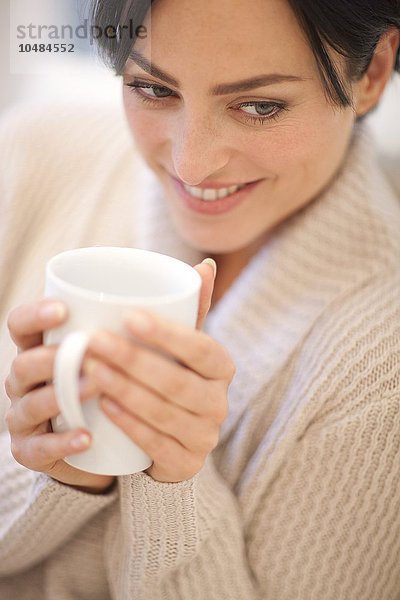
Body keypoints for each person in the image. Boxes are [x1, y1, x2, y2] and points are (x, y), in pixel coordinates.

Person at [0, 0, 400, 598]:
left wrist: (174, 489)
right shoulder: (38, 153)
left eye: (259, 105)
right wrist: (72, 470)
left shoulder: (381, 364)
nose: (191, 163)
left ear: (370, 74)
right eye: (152, 88)